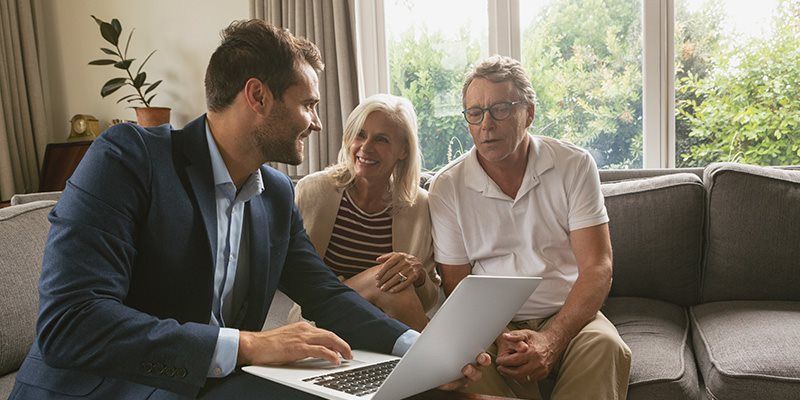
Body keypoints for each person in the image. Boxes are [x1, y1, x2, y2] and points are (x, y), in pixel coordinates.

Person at [10, 20, 486, 399]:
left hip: (211, 382)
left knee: (408, 389)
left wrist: (419, 349)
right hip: (113, 387)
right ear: (258, 96)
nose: (317, 123)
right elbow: (71, 323)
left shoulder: (275, 194)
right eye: (308, 105)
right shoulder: (128, 158)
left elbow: (326, 295)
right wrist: (248, 345)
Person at [428, 55, 632, 400]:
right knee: (456, 362)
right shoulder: (447, 186)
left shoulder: (574, 165)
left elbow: (598, 267)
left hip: (566, 315)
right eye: (475, 113)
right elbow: (455, 281)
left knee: (607, 346)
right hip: (486, 326)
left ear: (529, 113)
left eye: (500, 109)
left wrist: (552, 340)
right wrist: (503, 335)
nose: (486, 124)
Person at [291, 94, 440, 332]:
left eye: (381, 139)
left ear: (403, 150)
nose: (366, 147)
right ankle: (443, 361)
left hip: (386, 325)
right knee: (387, 281)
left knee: (394, 285)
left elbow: (427, 301)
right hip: (319, 318)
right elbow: (292, 275)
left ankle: (440, 359)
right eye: (360, 135)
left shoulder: (419, 206)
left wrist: (419, 275)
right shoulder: (312, 191)